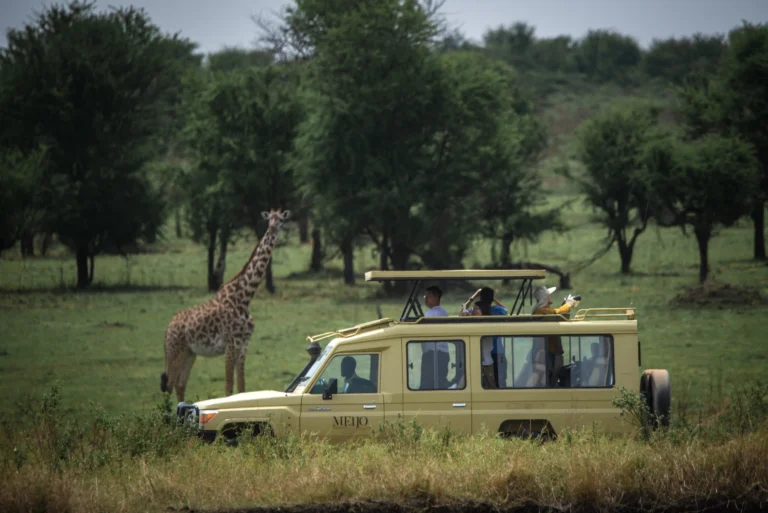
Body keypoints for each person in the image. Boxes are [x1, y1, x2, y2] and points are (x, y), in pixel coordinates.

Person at [531, 285, 577, 386]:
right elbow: (557, 313)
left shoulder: (543, 312)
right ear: (545, 298)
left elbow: (556, 314)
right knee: (547, 379)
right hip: (545, 353)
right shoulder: (541, 311)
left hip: (549, 352)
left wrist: (565, 305)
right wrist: (569, 304)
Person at [420, 285, 450, 389]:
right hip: (436, 353)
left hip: (435, 353)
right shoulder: (438, 312)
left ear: (436, 297)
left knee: (431, 382)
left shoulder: (435, 312)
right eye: (425, 296)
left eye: (428, 296)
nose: (425, 299)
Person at [479, 287, 508, 387]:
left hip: (482, 352)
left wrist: (473, 297)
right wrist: (493, 299)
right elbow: (505, 309)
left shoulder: (478, 312)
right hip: (497, 350)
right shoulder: (497, 311)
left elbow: (463, 311)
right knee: (499, 379)